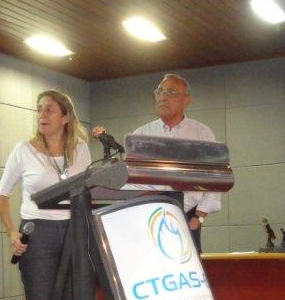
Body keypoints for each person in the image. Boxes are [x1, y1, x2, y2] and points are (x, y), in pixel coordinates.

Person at [0, 90, 91, 300]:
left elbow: (88, 193)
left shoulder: (81, 150)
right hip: (39, 236)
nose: (42, 115)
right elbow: (2, 195)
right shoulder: (24, 150)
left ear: (66, 117)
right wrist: (12, 233)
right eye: (39, 110)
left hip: (74, 234)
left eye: (49, 109)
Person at [94, 73, 220, 252]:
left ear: (186, 101)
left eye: (171, 92)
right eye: (160, 92)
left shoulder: (201, 133)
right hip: (146, 215)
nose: (163, 97)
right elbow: (131, 179)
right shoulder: (140, 134)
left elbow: (215, 180)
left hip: (186, 215)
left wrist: (198, 218)